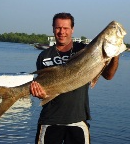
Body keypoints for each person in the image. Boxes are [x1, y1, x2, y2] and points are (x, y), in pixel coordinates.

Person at [30, 12, 119, 144]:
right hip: (50, 120)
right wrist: (39, 94)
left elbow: (109, 75)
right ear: (53, 28)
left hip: (78, 120)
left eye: (65, 28)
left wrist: (114, 53)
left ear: (72, 29)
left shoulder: (86, 50)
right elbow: (43, 88)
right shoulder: (44, 55)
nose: (62, 32)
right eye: (58, 28)